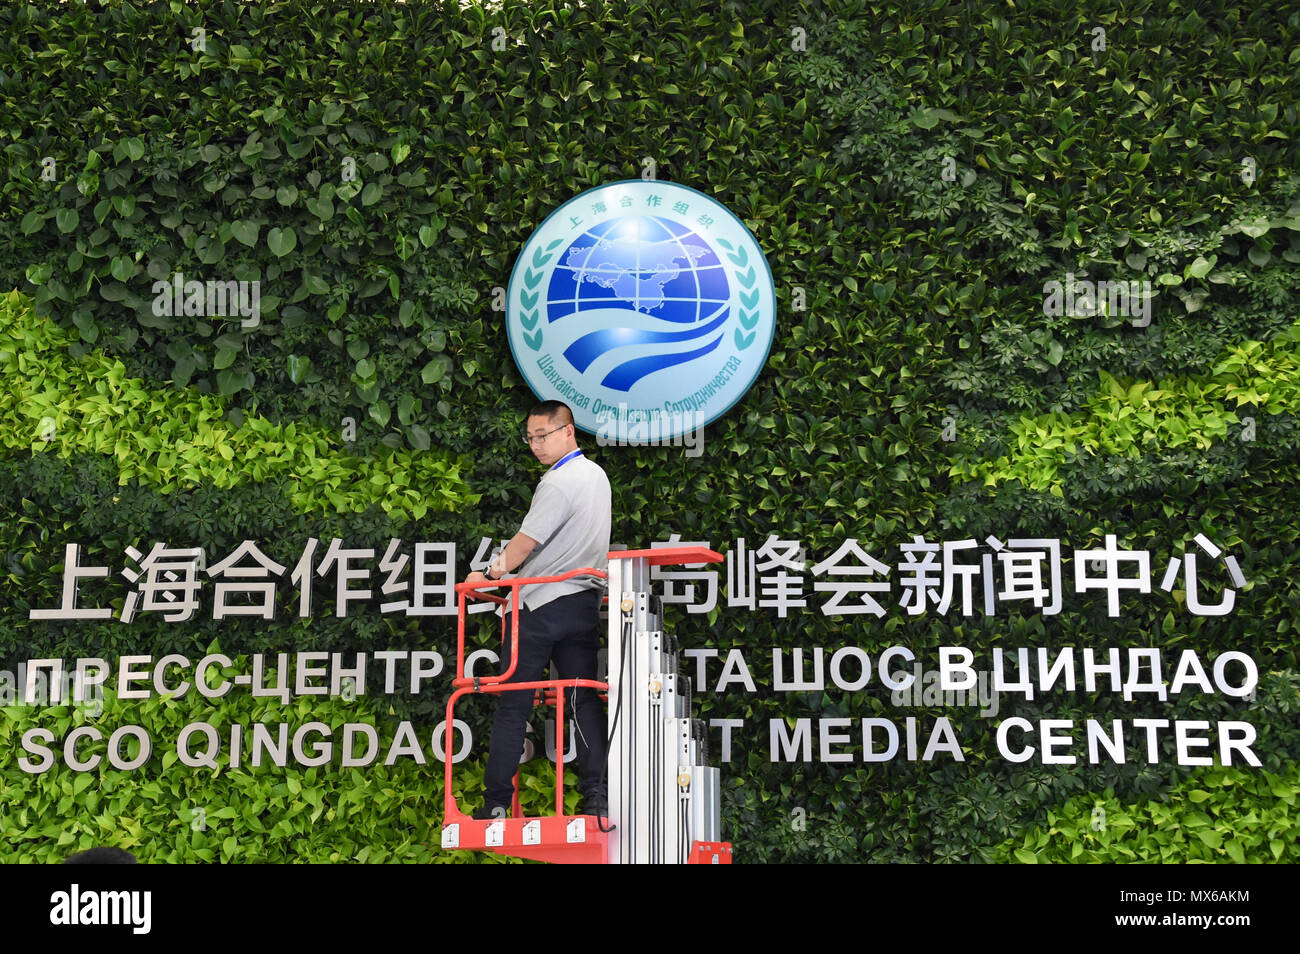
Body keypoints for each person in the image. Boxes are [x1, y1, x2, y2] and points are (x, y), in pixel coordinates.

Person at [463, 400, 611, 819]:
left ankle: (495, 805)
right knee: (584, 700)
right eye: (530, 438)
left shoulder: (558, 482)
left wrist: (490, 575)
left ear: (568, 431)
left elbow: (525, 544)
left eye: (542, 436)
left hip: (539, 604)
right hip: (584, 604)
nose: (535, 446)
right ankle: (597, 799)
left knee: (515, 703)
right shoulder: (598, 477)